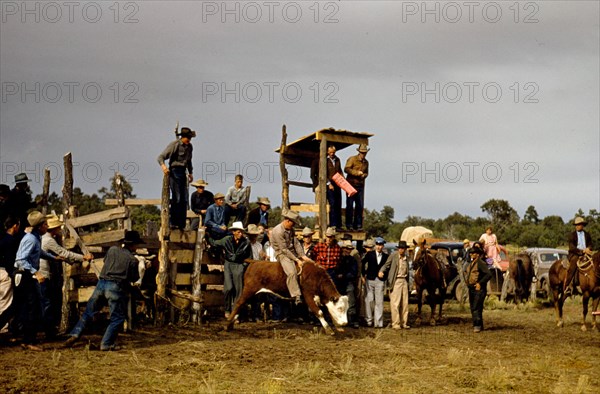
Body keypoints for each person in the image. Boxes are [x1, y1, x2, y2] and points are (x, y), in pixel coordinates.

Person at [64, 231, 142, 351]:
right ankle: (106, 343)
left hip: (101, 284)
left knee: (89, 312)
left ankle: (75, 334)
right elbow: (134, 278)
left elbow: (106, 262)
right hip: (115, 287)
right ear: (133, 245)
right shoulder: (133, 260)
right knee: (118, 318)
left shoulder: (112, 250)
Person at [40, 217, 93, 338]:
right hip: (44, 273)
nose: (60, 229)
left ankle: (49, 330)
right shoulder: (49, 240)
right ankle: (49, 332)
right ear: (55, 228)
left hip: (44, 272)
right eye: (58, 227)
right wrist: (83, 257)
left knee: (47, 302)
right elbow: (64, 253)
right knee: (47, 303)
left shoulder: (45, 238)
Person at [13, 211, 54, 350]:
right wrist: (36, 272)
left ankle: (27, 339)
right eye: (45, 224)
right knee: (32, 308)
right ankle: (28, 340)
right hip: (24, 275)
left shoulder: (36, 238)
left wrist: (54, 258)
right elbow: (20, 259)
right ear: (40, 226)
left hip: (27, 275)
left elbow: (38, 253)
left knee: (30, 307)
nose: (47, 227)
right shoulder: (30, 238)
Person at [270, 210, 311, 305]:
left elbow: (295, 243)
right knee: (292, 272)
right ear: (288, 221)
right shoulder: (278, 231)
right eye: (293, 223)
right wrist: (297, 260)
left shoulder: (291, 229)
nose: (293, 225)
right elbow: (284, 249)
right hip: (281, 253)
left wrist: (302, 256)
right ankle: (296, 295)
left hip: (291, 251)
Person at [158, 127, 195, 230]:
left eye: (190, 138)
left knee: (184, 199)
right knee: (177, 197)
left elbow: (189, 161)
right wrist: (164, 167)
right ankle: (173, 223)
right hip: (174, 171)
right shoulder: (175, 145)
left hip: (183, 172)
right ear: (182, 137)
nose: (189, 140)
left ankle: (181, 224)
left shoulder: (189, 147)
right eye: (187, 138)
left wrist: (190, 172)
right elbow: (161, 157)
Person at [214, 222, 251, 319]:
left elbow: (249, 256)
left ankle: (235, 312)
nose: (240, 234)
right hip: (228, 264)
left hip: (239, 265)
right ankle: (227, 309)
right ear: (233, 232)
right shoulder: (226, 240)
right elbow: (215, 243)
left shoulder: (246, 243)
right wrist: (207, 235)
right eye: (238, 232)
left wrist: (243, 265)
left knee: (238, 290)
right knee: (228, 288)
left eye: (242, 232)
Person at [379, 240, 411, 329]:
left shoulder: (406, 258)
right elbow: (386, 265)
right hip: (396, 280)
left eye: (403, 248)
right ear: (398, 249)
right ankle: (396, 323)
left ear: (405, 249)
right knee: (395, 303)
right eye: (400, 248)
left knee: (405, 304)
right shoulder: (393, 256)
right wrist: (381, 271)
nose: (402, 250)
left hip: (404, 280)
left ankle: (404, 323)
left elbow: (408, 272)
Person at [362, 237, 388, 328]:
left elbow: (387, 268)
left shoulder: (386, 256)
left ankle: (378, 323)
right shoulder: (370, 254)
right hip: (369, 279)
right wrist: (363, 275)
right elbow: (362, 263)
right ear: (375, 245)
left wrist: (384, 275)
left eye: (380, 245)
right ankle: (369, 320)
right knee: (369, 300)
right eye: (377, 245)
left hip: (380, 281)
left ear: (383, 246)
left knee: (379, 302)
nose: (379, 247)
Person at [0, 215, 20, 333]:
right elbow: (9, 260)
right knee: (5, 301)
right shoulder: (11, 241)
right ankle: (2, 327)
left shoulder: (2, 240)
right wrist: (12, 274)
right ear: (14, 226)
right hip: (4, 272)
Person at [466, 243, 492, 333]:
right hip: (472, 288)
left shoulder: (480, 263)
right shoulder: (472, 263)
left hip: (479, 289)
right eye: (471, 253)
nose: (471, 255)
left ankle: (477, 325)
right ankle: (479, 325)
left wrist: (480, 283)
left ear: (477, 254)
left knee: (476, 307)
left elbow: (488, 274)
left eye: (473, 253)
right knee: (475, 307)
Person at [564, 217, 594, 295]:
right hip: (575, 254)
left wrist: (588, 248)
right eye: (576, 225)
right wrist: (582, 251)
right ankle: (568, 285)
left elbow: (590, 244)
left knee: (595, 263)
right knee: (573, 265)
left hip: (586, 253)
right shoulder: (572, 235)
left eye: (579, 224)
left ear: (582, 225)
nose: (577, 226)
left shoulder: (587, 235)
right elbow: (572, 247)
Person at [344, 144, 369, 230]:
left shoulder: (366, 162)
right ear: (359, 152)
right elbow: (346, 169)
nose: (363, 154)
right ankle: (349, 225)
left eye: (364, 153)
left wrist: (363, 175)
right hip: (350, 185)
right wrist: (356, 173)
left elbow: (367, 173)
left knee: (360, 206)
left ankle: (357, 225)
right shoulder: (352, 159)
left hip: (360, 186)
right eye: (362, 152)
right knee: (350, 205)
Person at [338, 240, 359, 328]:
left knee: (351, 302)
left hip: (348, 282)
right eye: (346, 248)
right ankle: (339, 320)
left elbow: (354, 273)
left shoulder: (352, 260)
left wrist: (344, 276)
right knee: (338, 303)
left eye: (349, 249)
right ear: (343, 249)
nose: (348, 250)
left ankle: (352, 320)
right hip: (338, 283)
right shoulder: (337, 259)